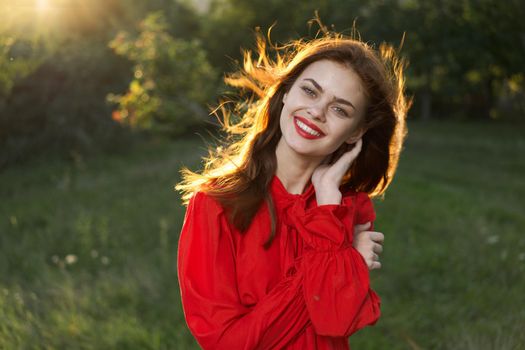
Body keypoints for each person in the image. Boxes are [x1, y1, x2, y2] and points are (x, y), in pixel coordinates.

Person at [176, 29, 409, 349]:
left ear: (355, 132)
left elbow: (336, 321)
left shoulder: (346, 207)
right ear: (286, 92)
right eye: (310, 92)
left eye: (340, 109)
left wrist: (328, 207)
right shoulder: (215, 204)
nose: (317, 111)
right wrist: (338, 259)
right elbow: (227, 343)